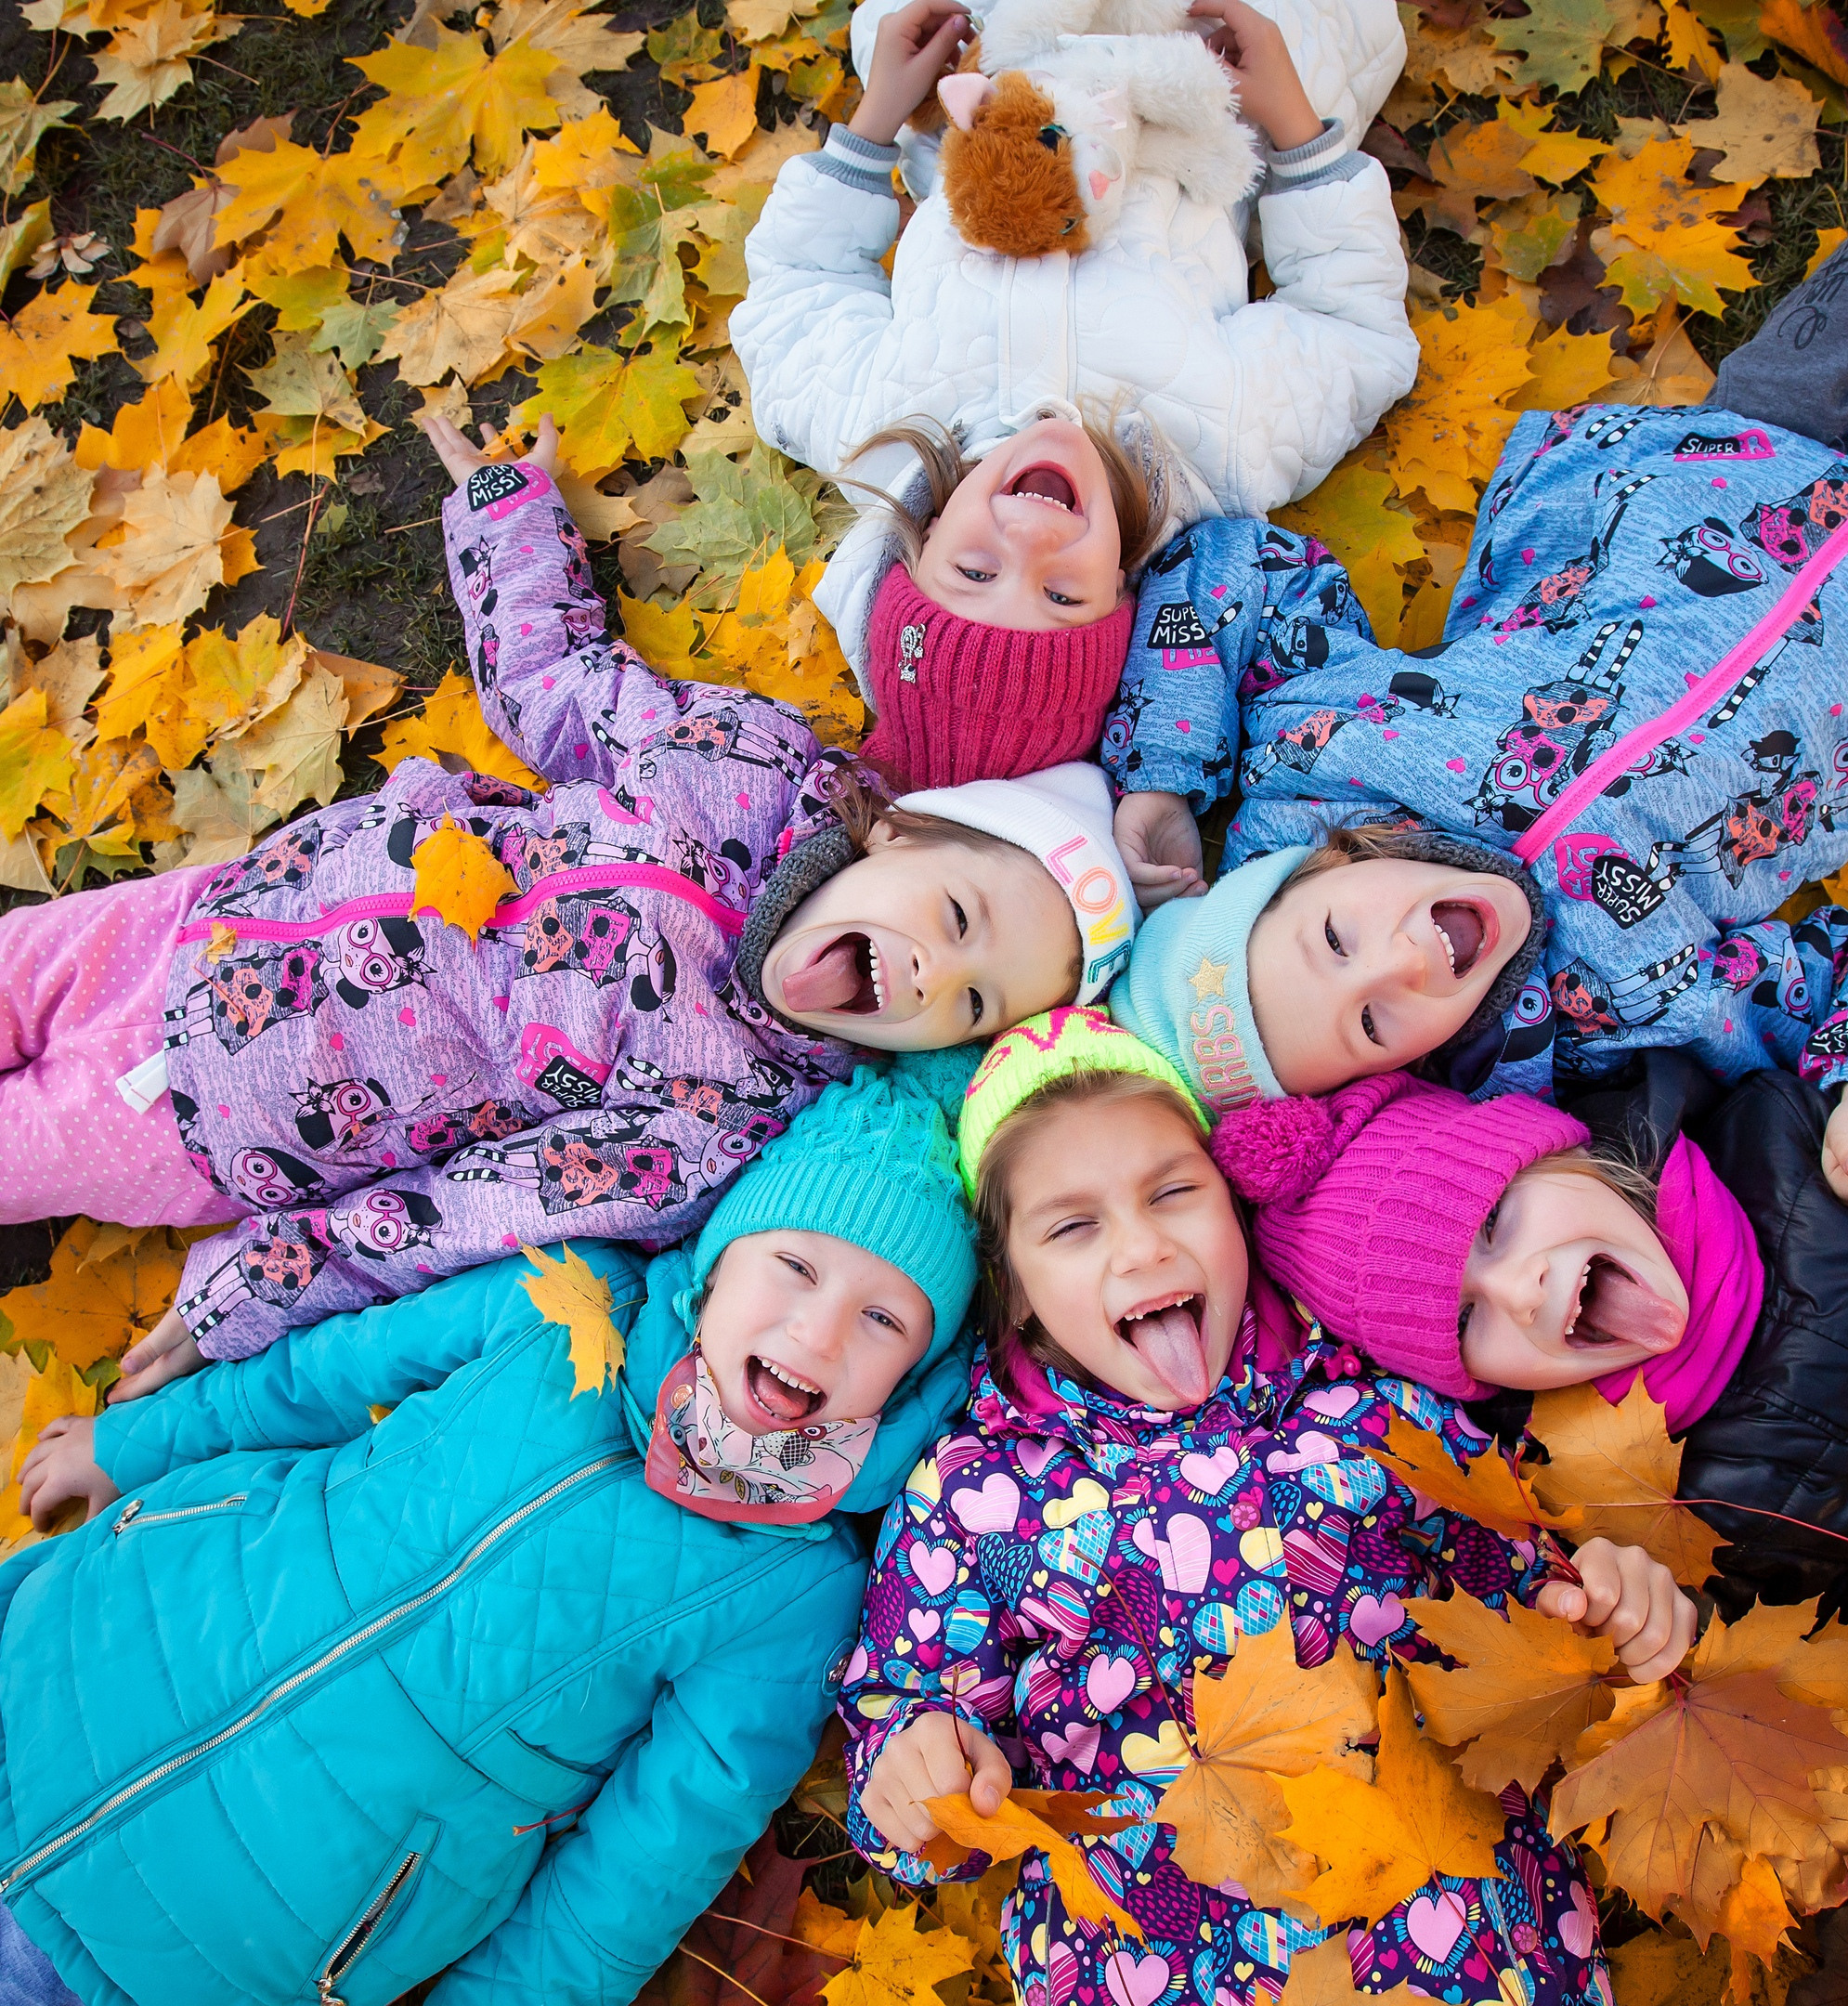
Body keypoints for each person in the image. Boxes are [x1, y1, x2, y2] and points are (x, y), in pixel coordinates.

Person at [1102, 33, 1848, 1206]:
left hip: (1752, 436)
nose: (1401, 961)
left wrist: (1162, 771)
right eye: (1373, 1023)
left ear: (1306, 872)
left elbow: (1233, 569)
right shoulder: (1626, 1006)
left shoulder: (1330, 747)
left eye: (1334, 939)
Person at [0, 416, 1137, 1392]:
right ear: (895, 833)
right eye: (956, 919)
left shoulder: (718, 1116)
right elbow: (561, 685)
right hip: (213, 911)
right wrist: (509, 512)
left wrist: (260, 1281)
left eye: (972, 1002)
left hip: (213, 1118)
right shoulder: (740, 763)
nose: (939, 974)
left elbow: (479, 1207)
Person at [0, 1057, 981, 2006]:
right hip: (89, 1645)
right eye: (795, 1267)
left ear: (913, 1379)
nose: (817, 1332)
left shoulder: (795, 1588)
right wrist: (137, 1442)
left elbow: (646, 1861)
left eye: (883, 1321)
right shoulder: (565, 1300)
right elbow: (330, 1373)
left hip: (222, 1937)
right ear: (720, 1261)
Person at [1209, 1050, 1848, 1912]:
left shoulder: (1809, 1167)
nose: (1518, 1287)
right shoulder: (1600, 1510)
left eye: (1499, 1222)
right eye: (1466, 1321)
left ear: (1563, 1151)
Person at [839, 1006, 1698, 2006]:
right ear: (1016, 1288)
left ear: (1235, 1210)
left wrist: (1612, 1615)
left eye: (1174, 1193)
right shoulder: (974, 1491)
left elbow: (1533, 1619)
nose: (1141, 1247)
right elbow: (905, 1725)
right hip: (1151, 1967)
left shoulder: (1373, 1406)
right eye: (1073, 1227)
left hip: (1467, 1949)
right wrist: (915, 1774)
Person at [727, 0, 1417, 793]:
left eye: (975, 572)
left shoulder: (874, 424)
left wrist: (875, 118)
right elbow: (1349, 327)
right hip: (1198, 84)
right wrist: (1294, 125)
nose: (1030, 537)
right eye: (1060, 594)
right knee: (1331, 38)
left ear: (925, 538)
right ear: (1122, 589)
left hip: (986, 63)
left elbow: (795, 291)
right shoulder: (1221, 449)